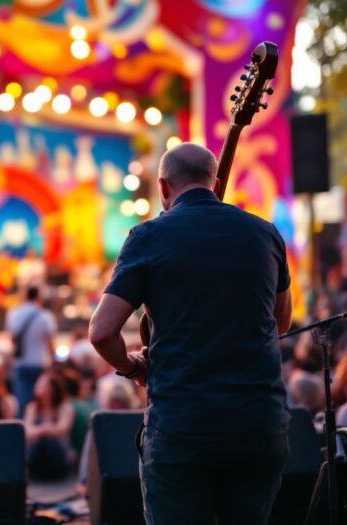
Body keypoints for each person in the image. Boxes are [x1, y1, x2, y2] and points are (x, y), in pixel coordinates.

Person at [89, 143, 293, 524]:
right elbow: (281, 323)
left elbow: (102, 332)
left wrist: (134, 368)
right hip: (259, 422)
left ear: (163, 187)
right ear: (217, 184)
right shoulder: (265, 233)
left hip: (183, 425)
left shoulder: (148, 237)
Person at [5, 285, 57, 415]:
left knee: (23, 403)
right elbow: (50, 342)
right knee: (43, 403)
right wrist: (54, 360)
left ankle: (25, 431)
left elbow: (12, 338)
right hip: (41, 363)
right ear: (39, 297)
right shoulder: (45, 316)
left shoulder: (14, 313)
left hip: (21, 363)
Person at [23, 371, 75, 480]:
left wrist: (40, 430)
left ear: (53, 388)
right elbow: (27, 432)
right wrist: (47, 428)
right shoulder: (32, 408)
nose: (38, 386)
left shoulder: (64, 407)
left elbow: (62, 430)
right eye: (38, 383)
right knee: (39, 443)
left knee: (49, 442)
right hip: (36, 455)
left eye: (43, 383)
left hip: (59, 455)